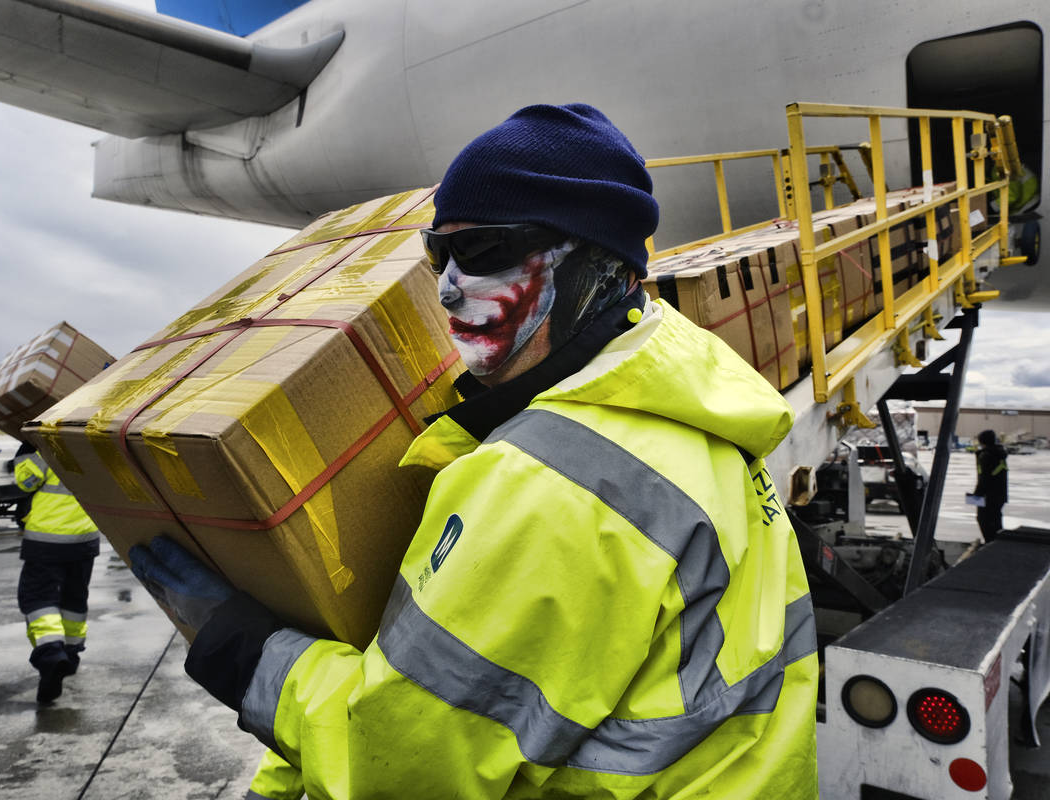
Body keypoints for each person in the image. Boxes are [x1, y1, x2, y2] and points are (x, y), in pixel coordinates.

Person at [129, 103, 819, 798]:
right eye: (439, 255)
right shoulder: (685, 411)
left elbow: (404, 767)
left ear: (596, 263)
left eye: (485, 252)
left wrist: (242, 653)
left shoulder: (552, 483)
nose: (451, 286)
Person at [14, 442, 101, 704]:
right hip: (85, 538)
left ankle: (51, 654)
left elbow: (26, 481)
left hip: (46, 539)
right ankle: (71, 655)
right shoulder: (91, 446)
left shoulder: (47, 444)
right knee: (74, 601)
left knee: (38, 599)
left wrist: (27, 450)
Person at [973, 429, 1008, 542]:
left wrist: (976, 495)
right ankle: (997, 544)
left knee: (984, 520)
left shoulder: (986, 456)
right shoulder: (999, 454)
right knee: (995, 521)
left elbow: (984, 478)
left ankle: (991, 546)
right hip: (1000, 495)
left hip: (988, 496)